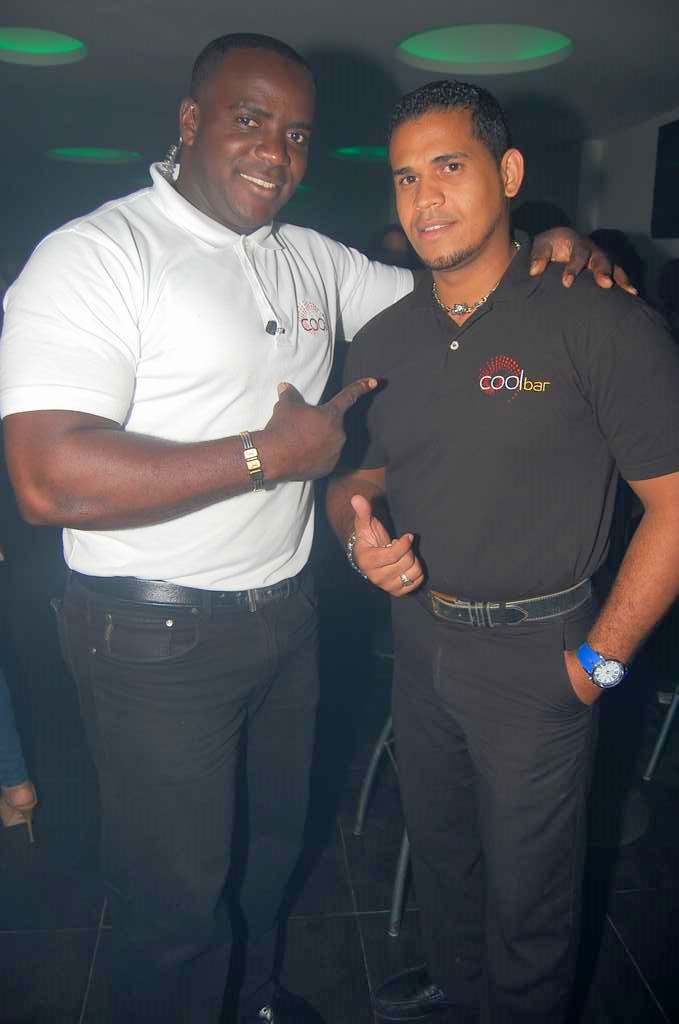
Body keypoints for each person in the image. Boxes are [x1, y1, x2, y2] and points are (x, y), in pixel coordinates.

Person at [0, 34, 629, 1024]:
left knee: (268, 857)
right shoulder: (96, 254)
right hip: (149, 634)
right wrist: (263, 456)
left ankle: (252, 1003)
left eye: (296, 133)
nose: (275, 150)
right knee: (175, 902)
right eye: (249, 119)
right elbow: (46, 478)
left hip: (281, 621)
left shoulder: (306, 259)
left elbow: (458, 282)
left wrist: (555, 238)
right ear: (190, 121)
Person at [326, 79, 679, 1024]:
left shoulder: (596, 317)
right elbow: (359, 475)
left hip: (540, 656)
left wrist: (598, 665)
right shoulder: (386, 337)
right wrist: (356, 531)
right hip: (420, 643)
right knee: (443, 859)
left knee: (530, 903)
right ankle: (457, 988)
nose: (425, 197)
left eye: (449, 166)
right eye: (406, 176)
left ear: (509, 172)